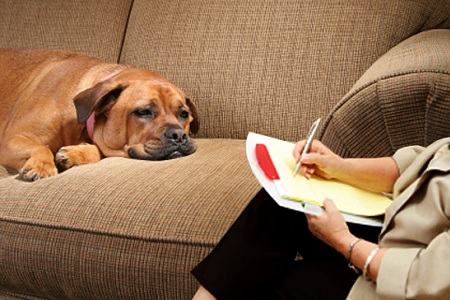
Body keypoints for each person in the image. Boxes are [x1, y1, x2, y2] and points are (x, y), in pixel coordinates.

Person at [191, 137, 450, 299]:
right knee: (285, 202)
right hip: (394, 233)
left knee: (290, 283)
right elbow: (416, 166)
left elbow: (423, 279)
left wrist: (342, 240)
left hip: (406, 281)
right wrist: (337, 167)